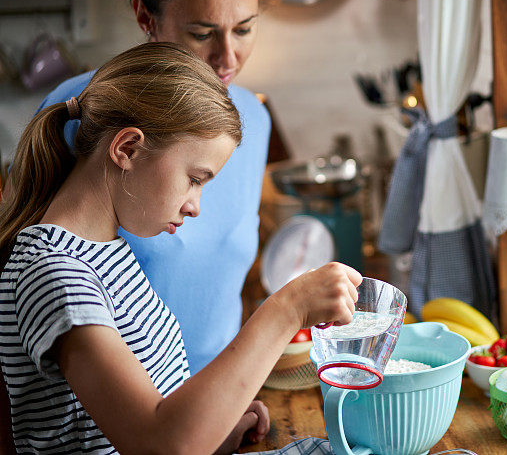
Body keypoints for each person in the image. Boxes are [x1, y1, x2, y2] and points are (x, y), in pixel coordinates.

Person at [0, 42, 358, 454]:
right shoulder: (53, 273)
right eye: (194, 179)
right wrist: (287, 309)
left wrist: (213, 427)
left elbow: (148, 420)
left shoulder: (107, 251)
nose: (195, 207)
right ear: (127, 149)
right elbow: (159, 445)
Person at [36, 0, 268, 376]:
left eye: (243, 28)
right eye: (203, 33)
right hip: (118, 422)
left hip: (220, 406)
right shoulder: (85, 112)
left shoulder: (253, 121)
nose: (228, 57)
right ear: (146, 17)